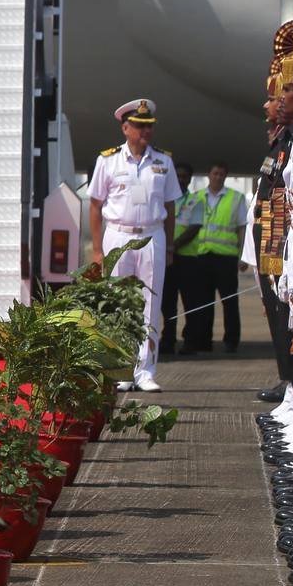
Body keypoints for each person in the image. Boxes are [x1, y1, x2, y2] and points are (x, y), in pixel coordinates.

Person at [87, 98, 181, 392]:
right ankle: (121, 369)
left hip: (152, 234)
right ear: (125, 128)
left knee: (150, 304)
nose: (145, 131)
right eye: (139, 126)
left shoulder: (163, 162)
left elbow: (170, 206)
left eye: (149, 126)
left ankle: (145, 370)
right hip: (118, 233)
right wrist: (98, 249)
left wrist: (168, 248)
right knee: (118, 303)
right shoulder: (108, 160)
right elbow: (94, 204)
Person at [179, 162, 246, 355]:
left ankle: (231, 341)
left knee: (229, 302)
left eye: (222, 174)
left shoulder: (236, 198)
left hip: (225, 257)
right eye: (215, 173)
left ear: (225, 177)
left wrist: (243, 255)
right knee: (203, 302)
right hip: (201, 256)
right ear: (209, 175)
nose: (218, 177)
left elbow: (242, 228)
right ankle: (203, 340)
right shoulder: (197, 197)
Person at [161, 162, 198, 356]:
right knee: (168, 303)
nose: (182, 179)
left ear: (190, 179)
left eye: (185, 176)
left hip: (187, 259)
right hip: (168, 259)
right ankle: (167, 340)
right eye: (179, 176)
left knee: (190, 303)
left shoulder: (195, 200)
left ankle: (190, 341)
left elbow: (194, 228)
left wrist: (172, 246)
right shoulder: (164, 200)